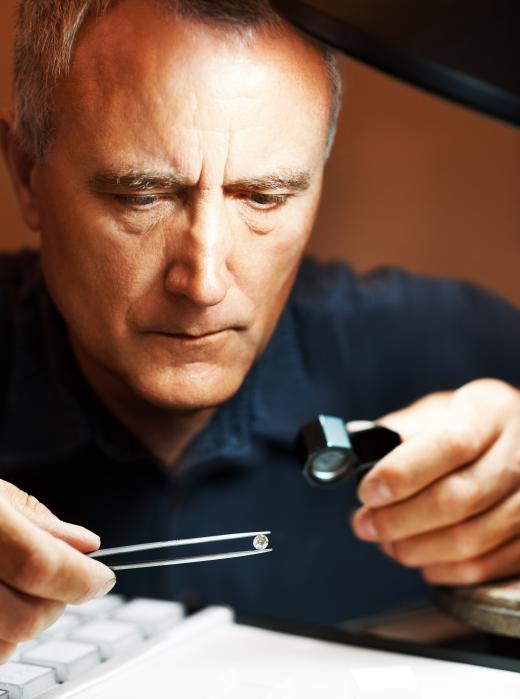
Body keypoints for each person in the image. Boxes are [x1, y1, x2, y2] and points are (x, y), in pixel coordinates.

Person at [1, 0, 520, 660]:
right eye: (140, 195)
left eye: (264, 197)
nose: (205, 281)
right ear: (26, 174)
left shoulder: (454, 342)